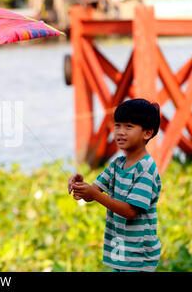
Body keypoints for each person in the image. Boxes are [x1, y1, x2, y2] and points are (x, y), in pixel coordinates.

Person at [68, 98, 162, 272]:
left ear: (147, 133)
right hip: (120, 250)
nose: (120, 132)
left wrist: (95, 195)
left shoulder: (146, 169)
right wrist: (81, 185)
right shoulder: (117, 164)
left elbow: (130, 211)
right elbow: (92, 194)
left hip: (138, 255)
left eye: (128, 126)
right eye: (117, 125)